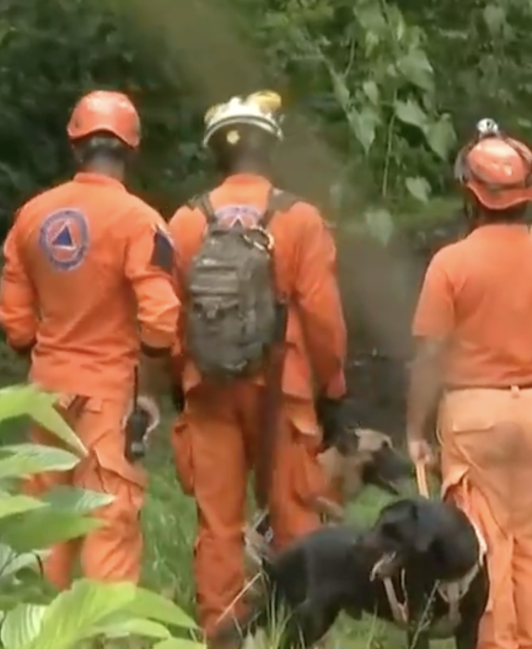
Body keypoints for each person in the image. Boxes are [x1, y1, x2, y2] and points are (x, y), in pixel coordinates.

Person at [167, 91, 350, 637]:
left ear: (215, 154)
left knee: (218, 524)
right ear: (270, 147)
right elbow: (323, 317)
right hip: (283, 389)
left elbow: (168, 314)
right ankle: (301, 629)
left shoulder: (184, 220)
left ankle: (221, 632)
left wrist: (183, 377)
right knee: (296, 517)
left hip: (209, 388)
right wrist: (334, 388)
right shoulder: (299, 218)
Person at [407, 126, 532, 649]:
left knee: (483, 547)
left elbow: (430, 356)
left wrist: (415, 429)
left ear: (469, 192)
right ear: (531, 194)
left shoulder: (451, 264)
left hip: (472, 418)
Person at [0, 90, 179, 588]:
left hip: (47, 390)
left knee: (43, 515)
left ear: (76, 147)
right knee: (108, 516)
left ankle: (33, 631)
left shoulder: (32, 215)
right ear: (130, 152)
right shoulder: (141, 221)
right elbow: (161, 321)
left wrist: (45, 352)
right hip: (110, 393)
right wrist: (151, 383)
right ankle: (108, 635)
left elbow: (13, 321)